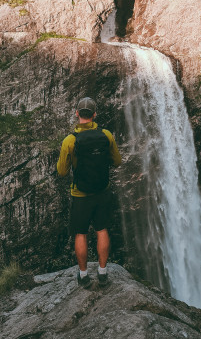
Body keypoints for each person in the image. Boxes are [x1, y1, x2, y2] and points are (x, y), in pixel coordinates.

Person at [57, 97, 121, 288]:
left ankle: (83, 275)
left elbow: (61, 171)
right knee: (102, 230)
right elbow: (117, 161)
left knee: (81, 233)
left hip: (80, 194)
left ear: (77, 113)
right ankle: (102, 273)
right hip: (102, 191)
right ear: (94, 114)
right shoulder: (107, 135)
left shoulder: (70, 140)